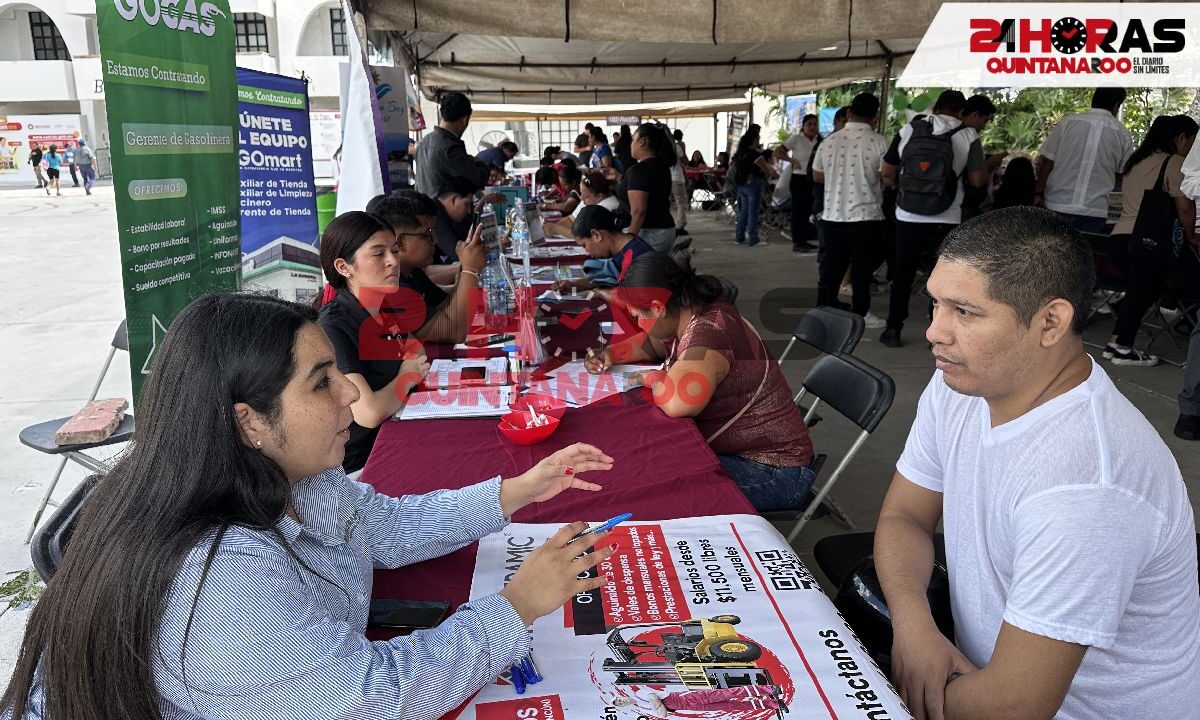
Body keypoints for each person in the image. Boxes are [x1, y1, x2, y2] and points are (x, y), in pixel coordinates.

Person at [0, 291, 617, 720]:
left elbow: (384, 526)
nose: (352, 391)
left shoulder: (294, 476)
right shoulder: (219, 578)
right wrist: (517, 605)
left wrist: (517, 490)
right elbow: (375, 700)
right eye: (321, 381)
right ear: (249, 422)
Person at [875, 206, 1200, 720]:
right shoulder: (960, 384)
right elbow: (904, 515)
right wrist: (915, 629)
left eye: (964, 312)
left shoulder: (1088, 485)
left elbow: (1013, 706)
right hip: (974, 677)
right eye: (935, 303)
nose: (935, 331)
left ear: (1051, 321)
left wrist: (887, 699)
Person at [585, 252, 815, 511]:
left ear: (658, 308)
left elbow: (678, 403)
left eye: (638, 315)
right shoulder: (687, 311)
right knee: (640, 459)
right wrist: (610, 354)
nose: (638, 323)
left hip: (772, 470)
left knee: (650, 485)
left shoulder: (710, 332)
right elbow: (652, 345)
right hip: (741, 454)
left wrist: (652, 377)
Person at [880, 90, 987, 348]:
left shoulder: (909, 129)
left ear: (936, 107)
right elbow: (976, 180)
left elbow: (887, 170)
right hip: (946, 217)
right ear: (961, 112)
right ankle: (935, 336)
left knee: (902, 275)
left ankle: (893, 329)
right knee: (941, 280)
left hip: (906, 216)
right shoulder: (968, 135)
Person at [1102, 114, 1198, 367]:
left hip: (1120, 238)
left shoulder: (1136, 162)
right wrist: (1190, 235)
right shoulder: (1174, 162)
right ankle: (1123, 349)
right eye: (1192, 142)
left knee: (1140, 291)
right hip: (1148, 240)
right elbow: (1185, 208)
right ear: (1180, 138)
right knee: (1142, 292)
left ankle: (1115, 343)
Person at [811, 92, 890, 329]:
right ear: (875, 116)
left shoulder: (829, 141)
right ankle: (861, 312)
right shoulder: (879, 142)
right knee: (861, 269)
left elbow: (816, 175)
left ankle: (824, 308)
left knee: (831, 266)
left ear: (848, 114)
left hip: (833, 214)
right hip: (866, 216)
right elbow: (886, 176)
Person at [363, 192, 485, 345]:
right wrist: (470, 269)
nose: (435, 240)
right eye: (427, 234)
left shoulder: (409, 272)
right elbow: (455, 332)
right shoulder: (390, 287)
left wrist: (464, 268)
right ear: (401, 243)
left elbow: (445, 306)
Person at [1036, 87, 1134, 232]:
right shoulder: (1123, 134)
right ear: (1116, 105)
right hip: (1095, 210)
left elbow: (1047, 162)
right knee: (1086, 253)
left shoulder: (1067, 123)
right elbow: (1121, 176)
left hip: (1056, 204)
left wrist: (1038, 193)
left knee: (1051, 253)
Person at [554, 205, 653, 292]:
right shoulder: (620, 249)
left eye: (584, 245)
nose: (586, 253)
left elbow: (635, 298)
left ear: (596, 235)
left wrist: (602, 294)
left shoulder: (638, 255)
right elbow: (606, 278)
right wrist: (573, 285)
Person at [615, 123, 677, 253]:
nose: (630, 144)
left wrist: (629, 241)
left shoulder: (639, 170)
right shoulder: (660, 166)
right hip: (664, 230)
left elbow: (639, 211)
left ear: (642, 142)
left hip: (649, 232)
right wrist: (619, 177)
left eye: (633, 140)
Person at [414, 92, 489, 195]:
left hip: (426, 207)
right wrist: (479, 163)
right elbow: (478, 179)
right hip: (443, 210)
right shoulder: (450, 148)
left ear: (442, 114)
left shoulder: (424, 142)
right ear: (465, 120)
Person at [730, 124, 774, 247]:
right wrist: (767, 172)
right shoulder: (755, 154)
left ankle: (739, 237)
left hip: (741, 184)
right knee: (753, 213)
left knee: (743, 212)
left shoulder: (740, 153)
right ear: (754, 140)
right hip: (754, 184)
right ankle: (753, 239)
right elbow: (765, 169)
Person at [785, 113, 820, 252]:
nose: (812, 127)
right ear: (803, 126)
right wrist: (792, 161)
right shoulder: (797, 139)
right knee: (798, 210)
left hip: (813, 178)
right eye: (809, 124)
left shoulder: (820, 140)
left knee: (808, 210)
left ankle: (805, 239)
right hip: (799, 178)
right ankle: (797, 241)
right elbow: (778, 152)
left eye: (814, 124)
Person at [432, 176, 480, 264]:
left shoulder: (449, 215)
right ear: (454, 199)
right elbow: (458, 255)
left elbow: (467, 240)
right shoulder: (433, 215)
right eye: (467, 204)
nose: (469, 211)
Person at [670, 128, 689, 237]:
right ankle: (680, 226)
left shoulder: (664, 147)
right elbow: (685, 160)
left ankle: (668, 225)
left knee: (667, 203)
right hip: (677, 177)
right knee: (681, 202)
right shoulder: (677, 147)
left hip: (667, 178)